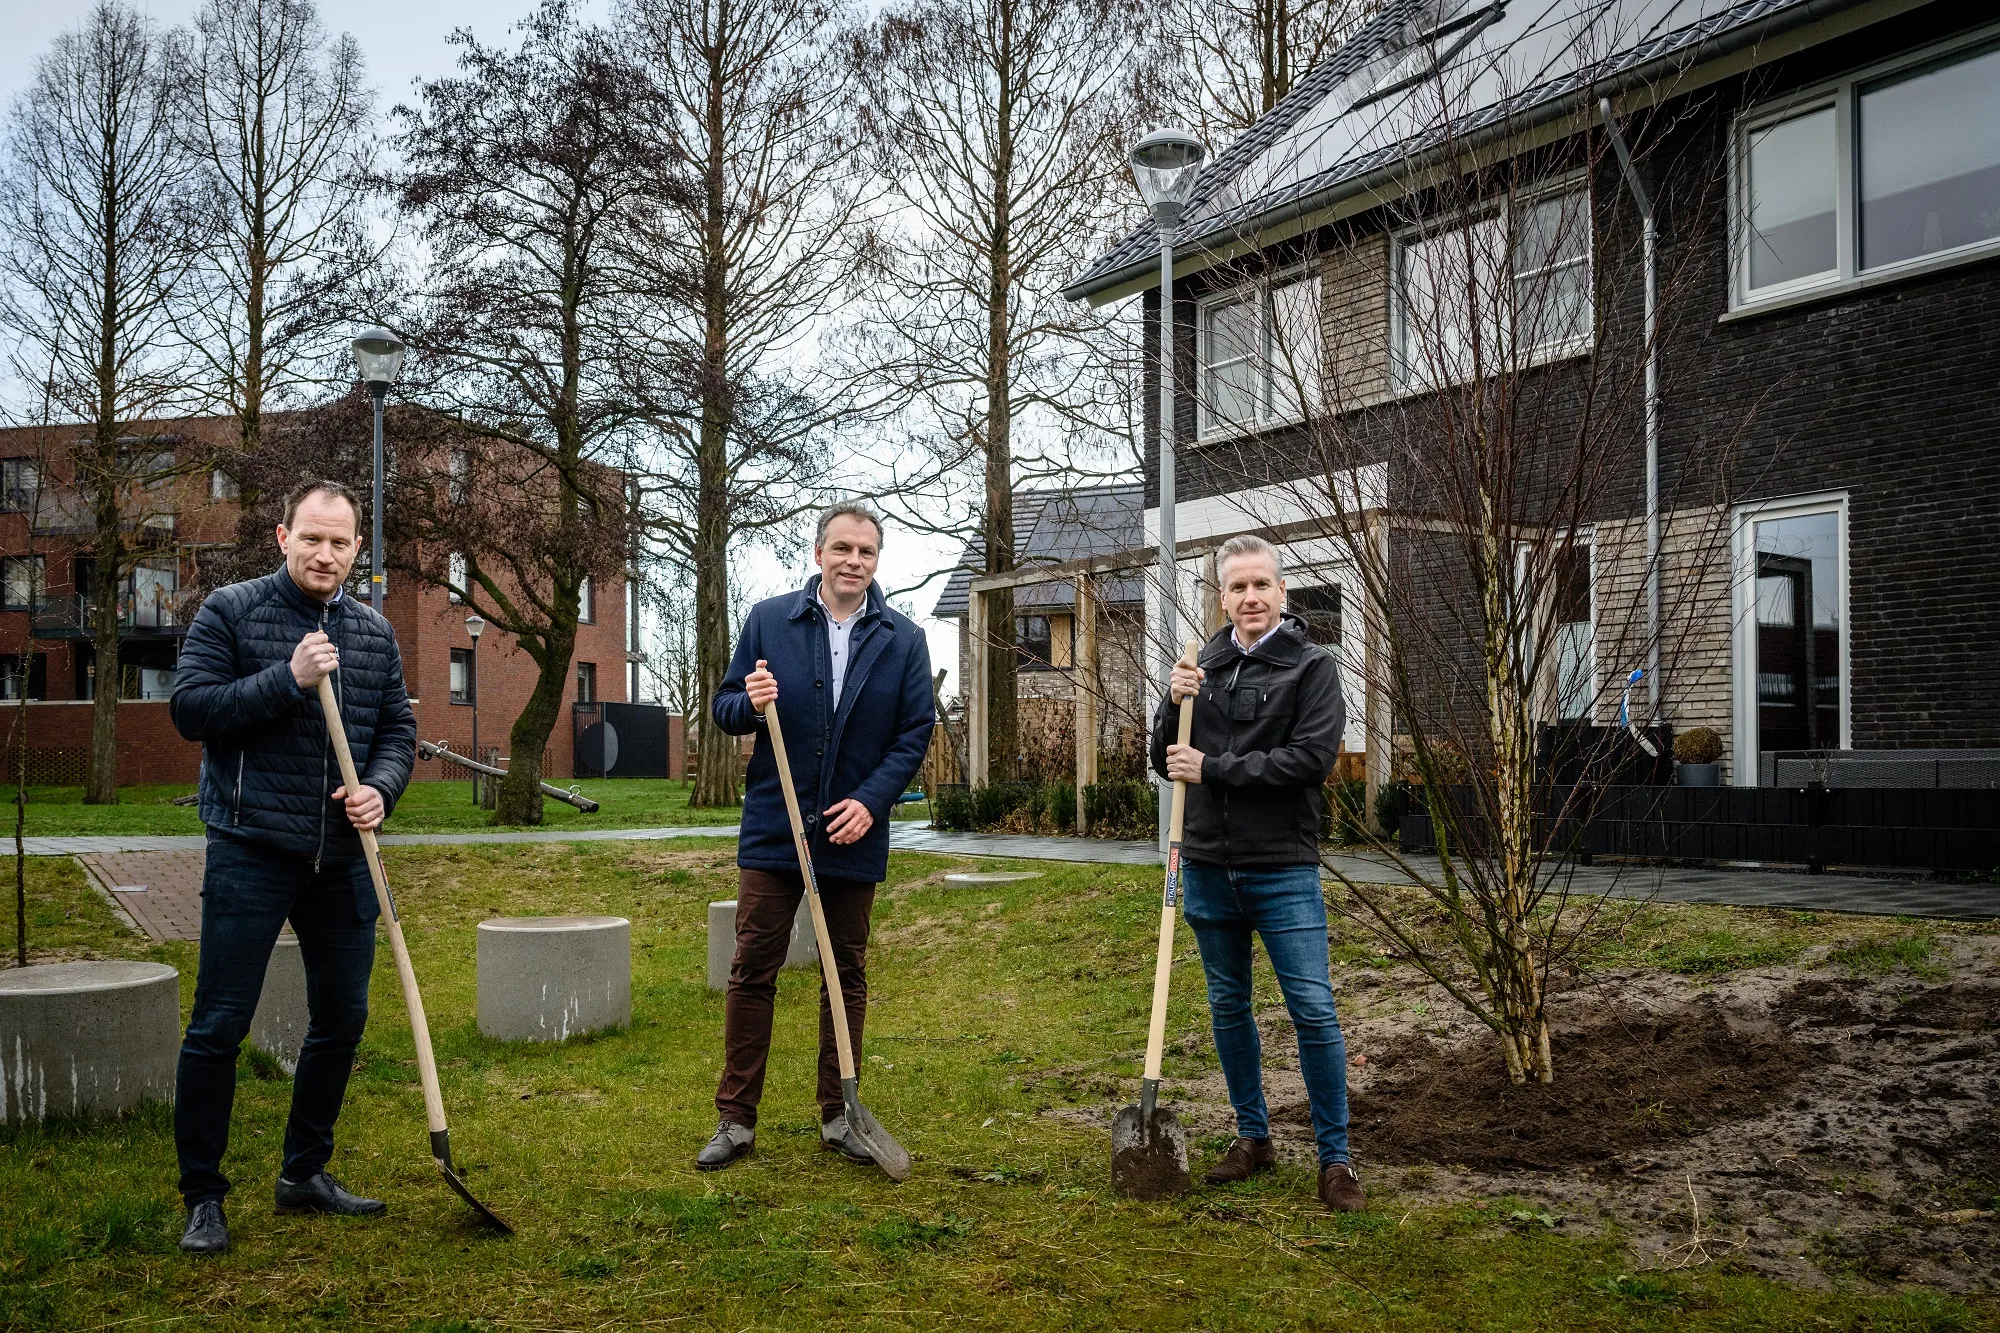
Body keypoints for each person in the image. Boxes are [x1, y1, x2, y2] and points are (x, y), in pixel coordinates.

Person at [167, 480, 417, 1254]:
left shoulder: (373, 634)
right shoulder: (232, 610)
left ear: (357, 548)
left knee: (342, 1017)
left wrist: (379, 788)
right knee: (220, 1023)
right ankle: (203, 1197)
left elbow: (398, 732)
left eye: (340, 542)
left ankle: (304, 1171)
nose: (325, 553)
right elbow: (191, 709)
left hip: (341, 858)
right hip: (250, 846)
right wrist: (288, 678)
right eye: (312, 537)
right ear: (283, 536)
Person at [695, 502, 935, 1171]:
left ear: (877, 560)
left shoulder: (904, 639)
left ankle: (838, 1115)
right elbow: (724, 707)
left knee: (844, 973)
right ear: (819, 553)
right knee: (753, 968)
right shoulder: (769, 620)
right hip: (776, 826)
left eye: (866, 551)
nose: (853, 561)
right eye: (842, 548)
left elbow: (914, 731)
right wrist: (751, 703)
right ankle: (736, 1120)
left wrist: (872, 801)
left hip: (852, 830)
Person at [1150, 533, 1364, 1212]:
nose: (1250, 597)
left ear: (1281, 590)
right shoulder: (1202, 665)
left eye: (1261, 584)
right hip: (1209, 866)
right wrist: (1171, 702)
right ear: (1222, 597)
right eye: (1237, 587)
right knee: (1227, 1005)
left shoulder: (1311, 667)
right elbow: (1166, 759)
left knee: (1313, 1009)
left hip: (1281, 868)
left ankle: (1336, 1160)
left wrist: (1213, 768)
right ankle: (1253, 1135)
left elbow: (1310, 761)